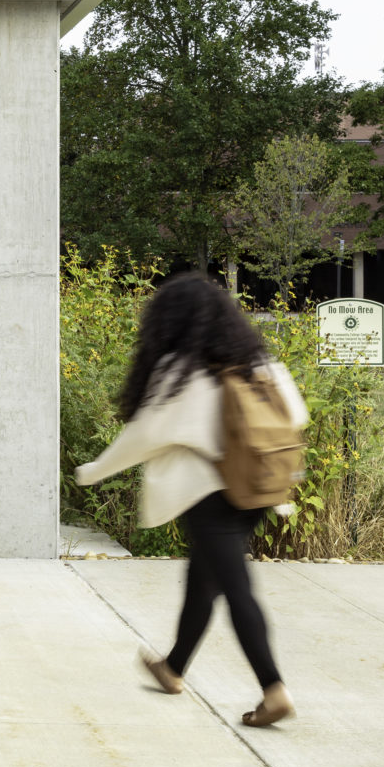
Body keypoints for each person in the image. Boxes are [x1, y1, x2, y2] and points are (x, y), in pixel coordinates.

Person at [74, 273, 309, 727]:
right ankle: (173, 667)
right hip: (258, 489)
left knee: (236, 587)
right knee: (204, 578)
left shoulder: (182, 371)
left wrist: (91, 472)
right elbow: (295, 415)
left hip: (210, 496)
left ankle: (273, 688)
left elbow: (142, 437)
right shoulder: (258, 362)